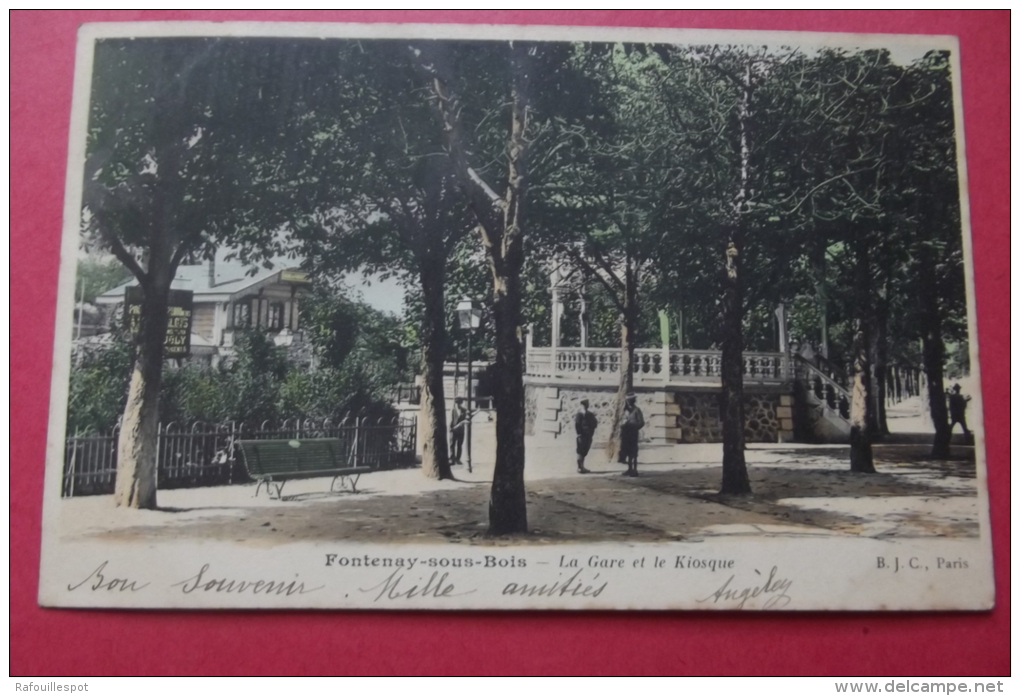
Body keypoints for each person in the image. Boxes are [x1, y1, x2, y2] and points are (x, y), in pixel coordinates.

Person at [619, 393, 644, 477]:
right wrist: (622, 426)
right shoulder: (625, 411)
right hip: (626, 434)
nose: (629, 402)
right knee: (627, 451)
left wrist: (634, 427)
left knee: (634, 452)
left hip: (633, 434)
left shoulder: (637, 410)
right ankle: (629, 469)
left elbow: (641, 422)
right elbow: (621, 421)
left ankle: (635, 470)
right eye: (628, 400)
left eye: (630, 400)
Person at [574, 399, 598, 474]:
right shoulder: (579, 414)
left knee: (585, 451)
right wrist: (579, 433)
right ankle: (579, 467)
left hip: (588, 435)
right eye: (583, 405)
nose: (585, 406)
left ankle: (582, 466)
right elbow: (577, 424)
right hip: (582, 435)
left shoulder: (590, 414)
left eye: (586, 405)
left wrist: (591, 430)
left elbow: (595, 423)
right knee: (580, 451)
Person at [450, 398, 467, 465]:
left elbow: (467, 417)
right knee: (452, 445)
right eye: (456, 403)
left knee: (459, 445)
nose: (457, 404)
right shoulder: (453, 410)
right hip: (453, 429)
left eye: (459, 403)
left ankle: (458, 459)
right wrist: (450, 428)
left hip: (460, 430)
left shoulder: (464, 410)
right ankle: (452, 459)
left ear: (461, 403)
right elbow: (450, 420)